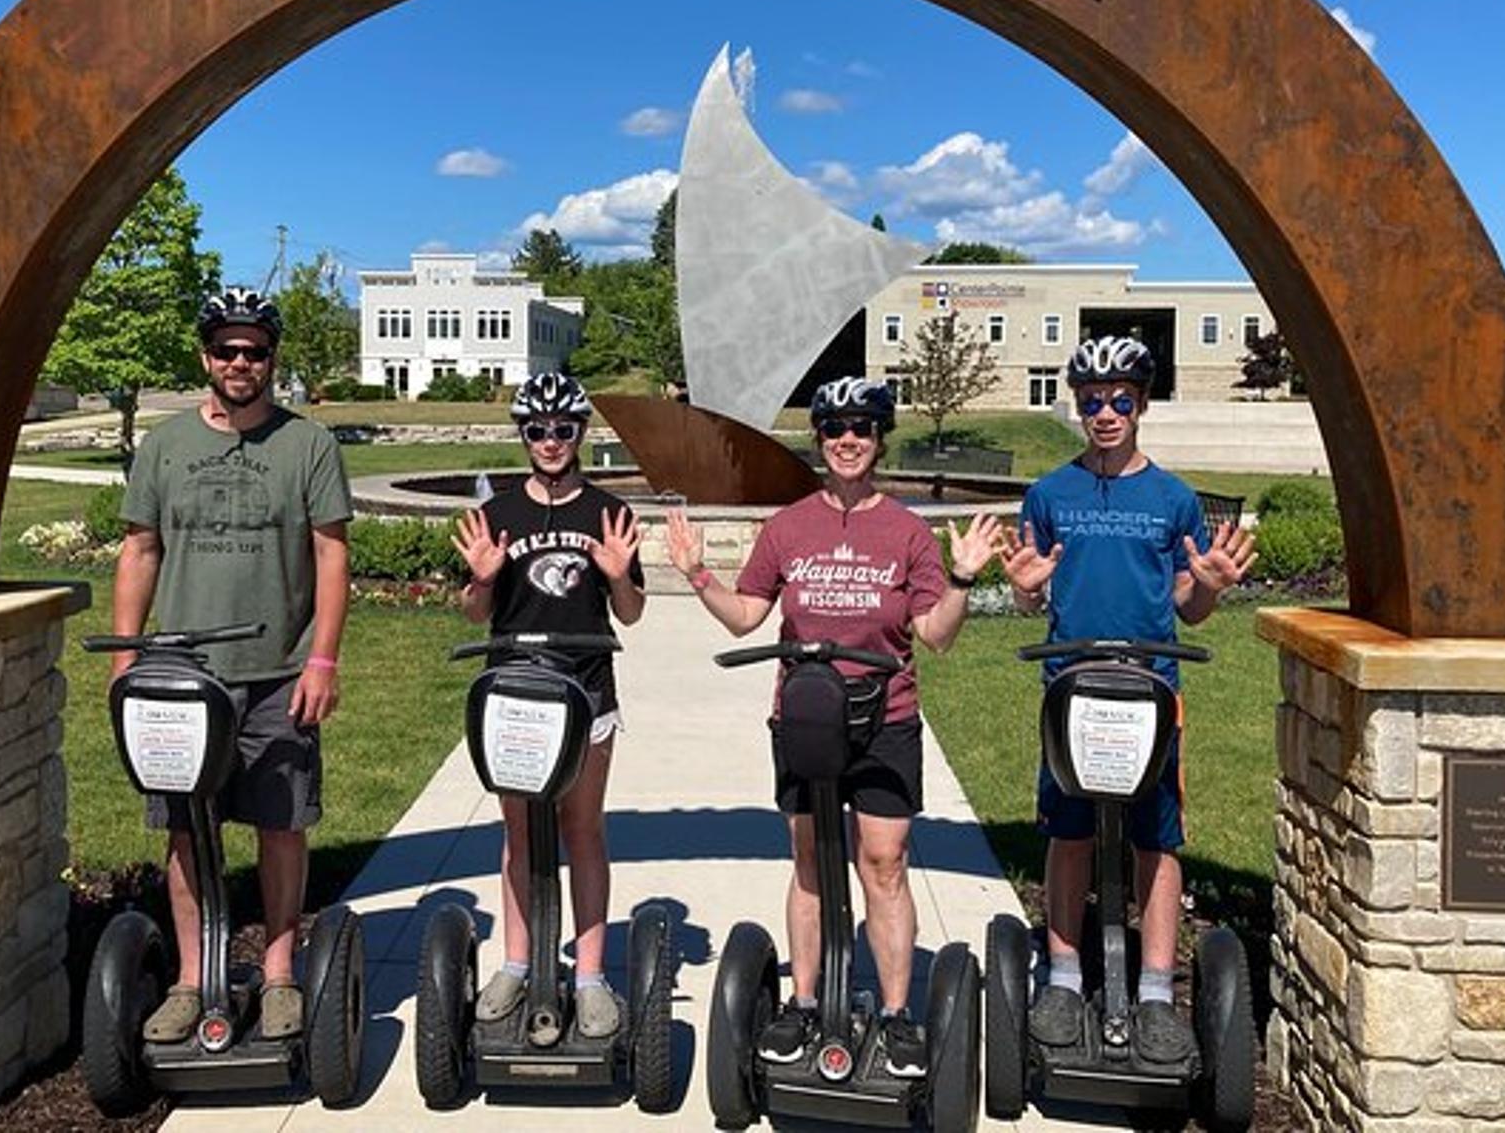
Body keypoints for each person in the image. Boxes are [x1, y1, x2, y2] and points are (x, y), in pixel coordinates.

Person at [665, 377, 1004, 1079]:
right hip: (807, 719)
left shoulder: (907, 531)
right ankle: (804, 998)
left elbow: (934, 636)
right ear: (818, 439)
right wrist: (699, 574)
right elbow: (748, 616)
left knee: (884, 863)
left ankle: (897, 1012)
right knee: (812, 863)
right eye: (834, 428)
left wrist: (963, 579)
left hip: (886, 720)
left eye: (862, 427)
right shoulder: (787, 527)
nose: (847, 439)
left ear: (880, 438)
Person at [1003, 335, 1254, 1063]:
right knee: (1069, 829)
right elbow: (1033, 591)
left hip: (1150, 687)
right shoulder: (1050, 494)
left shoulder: (1173, 497)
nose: (1104, 412)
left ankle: (1152, 989)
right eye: (1090, 400)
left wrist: (1205, 583)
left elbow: (1189, 603)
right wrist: (1023, 590)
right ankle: (1060, 973)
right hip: (1071, 684)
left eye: (1119, 399)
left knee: (1156, 835)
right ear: (1077, 406)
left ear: (1141, 404)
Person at [112, 286, 353, 1044]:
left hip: (279, 671)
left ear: (271, 358)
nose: (240, 361)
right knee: (187, 829)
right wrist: (126, 655)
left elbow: (330, 551)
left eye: (253, 350)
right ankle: (192, 977)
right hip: (184, 677)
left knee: (281, 824)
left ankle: (279, 971)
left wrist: (322, 656)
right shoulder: (166, 446)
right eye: (226, 349)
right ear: (205, 355)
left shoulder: (306, 444)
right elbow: (140, 549)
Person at [452, 371, 647, 1038]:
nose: (551, 440)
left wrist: (620, 576)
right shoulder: (497, 512)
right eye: (537, 429)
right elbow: (476, 609)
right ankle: (516, 959)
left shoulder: (606, 511)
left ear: (581, 434)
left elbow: (632, 612)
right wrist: (480, 579)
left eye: (564, 428)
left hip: (587, 689)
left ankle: (589, 975)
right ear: (524, 435)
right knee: (517, 833)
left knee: (582, 827)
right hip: (515, 692)